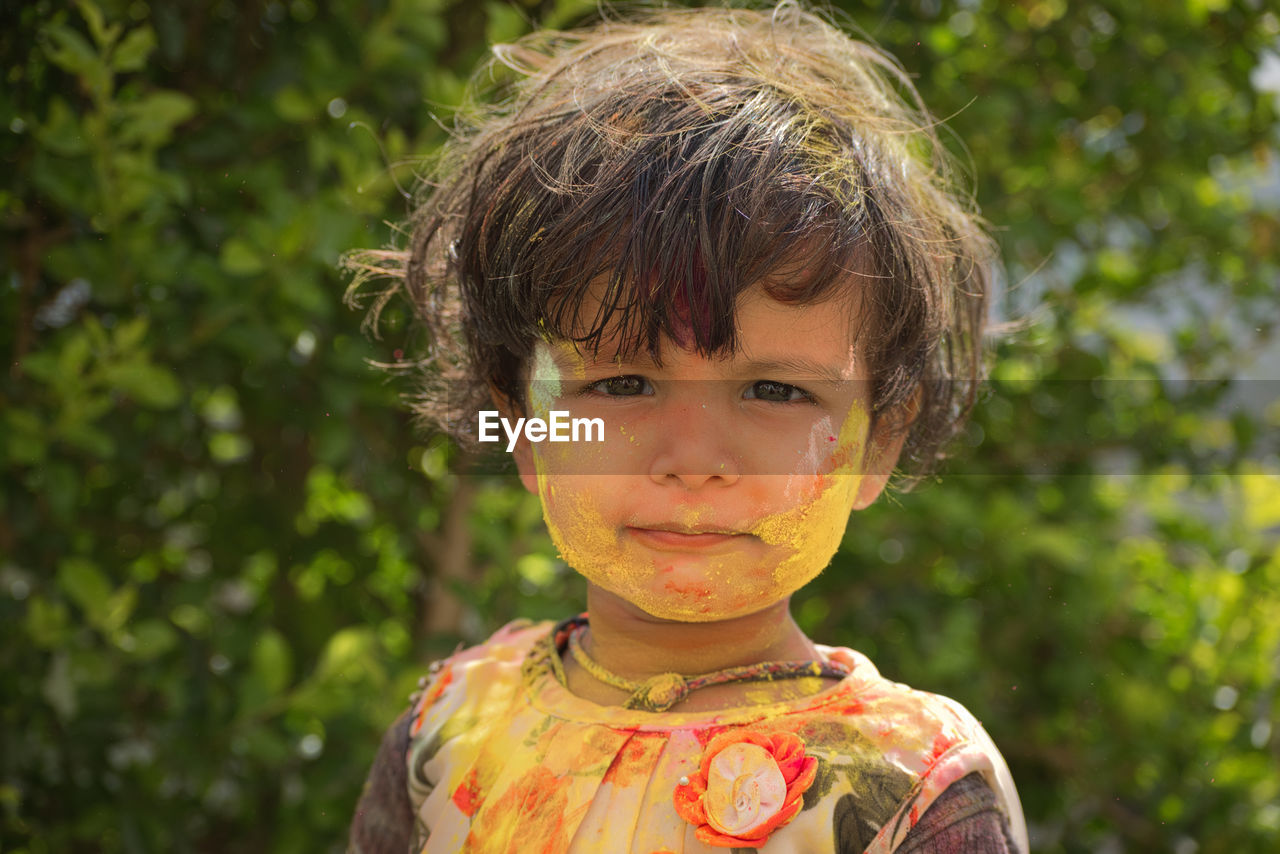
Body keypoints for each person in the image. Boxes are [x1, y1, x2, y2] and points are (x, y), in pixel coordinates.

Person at [345, 3, 1027, 851]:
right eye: (622, 382)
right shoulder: (445, 730)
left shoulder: (908, 789)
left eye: (775, 392)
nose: (694, 458)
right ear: (524, 428)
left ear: (878, 440)